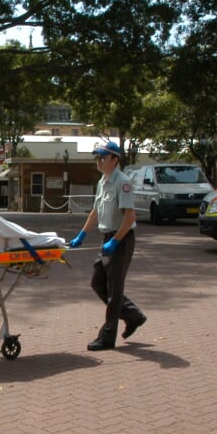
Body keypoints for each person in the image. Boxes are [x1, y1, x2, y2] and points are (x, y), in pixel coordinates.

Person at [68, 141, 145, 351]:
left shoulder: (123, 182)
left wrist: (116, 241)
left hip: (121, 239)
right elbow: (95, 213)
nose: (98, 161)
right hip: (108, 238)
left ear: (114, 159)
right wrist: (81, 235)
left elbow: (130, 217)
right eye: (97, 157)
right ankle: (132, 315)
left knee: (114, 290)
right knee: (97, 282)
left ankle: (108, 337)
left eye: (102, 157)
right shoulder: (103, 181)